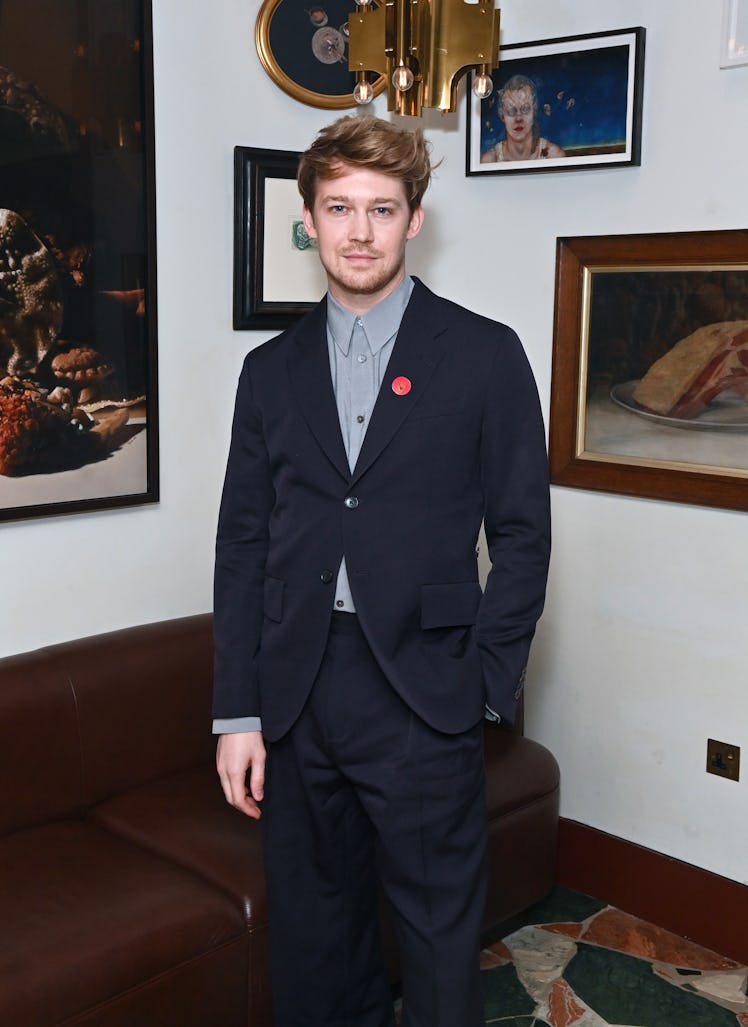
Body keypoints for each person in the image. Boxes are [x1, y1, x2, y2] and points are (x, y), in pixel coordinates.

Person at [213, 114, 551, 1027]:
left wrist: (486, 680)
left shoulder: (485, 355)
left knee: (439, 937)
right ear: (310, 221)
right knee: (316, 938)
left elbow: (523, 535)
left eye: (381, 208)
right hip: (295, 691)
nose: (360, 230)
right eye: (339, 208)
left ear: (414, 220)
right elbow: (243, 544)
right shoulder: (267, 372)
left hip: (424, 691)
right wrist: (237, 710)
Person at [480, 74, 565, 163]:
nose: (518, 118)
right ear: (502, 115)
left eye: (525, 109)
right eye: (511, 111)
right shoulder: (489, 160)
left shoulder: (553, 156)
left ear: (534, 111)